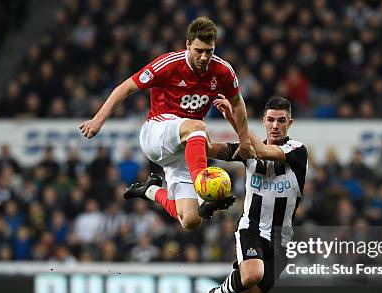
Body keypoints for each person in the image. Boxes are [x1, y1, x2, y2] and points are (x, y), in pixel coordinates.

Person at [79, 17, 255, 229]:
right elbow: (125, 88)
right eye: (199, 50)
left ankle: (151, 191)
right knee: (198, 128)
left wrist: (244, 141)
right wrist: (98, 120)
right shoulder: (169, 64)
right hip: (156, 132)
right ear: (188, 44)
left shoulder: (222, 71)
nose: (204, 56)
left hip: (185, 146)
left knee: (190, 221)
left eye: (209, 51)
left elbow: (238, 103)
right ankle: (204, 184)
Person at [186, 96, 308, 293]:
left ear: (290, 122)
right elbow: (213, 150)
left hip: (281, 242)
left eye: (281, 120)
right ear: (263, 121)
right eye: (270, 120)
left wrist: (233, 118)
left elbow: (263, 153)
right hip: (251, 229)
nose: (275, 125)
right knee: (253, 273)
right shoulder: (246, 148)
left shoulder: (298, 151)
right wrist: (192, 139)